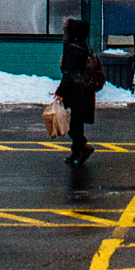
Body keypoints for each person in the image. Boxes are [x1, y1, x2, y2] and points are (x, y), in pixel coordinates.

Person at [57, 16, 94, 169]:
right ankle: (76, 151)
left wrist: (60, 92)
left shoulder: (72, 48)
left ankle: (83, 147)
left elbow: (69, 72)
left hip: (76, 91)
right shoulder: (85, 47)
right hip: (84, 90)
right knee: (76, 122)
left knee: (73, 125)